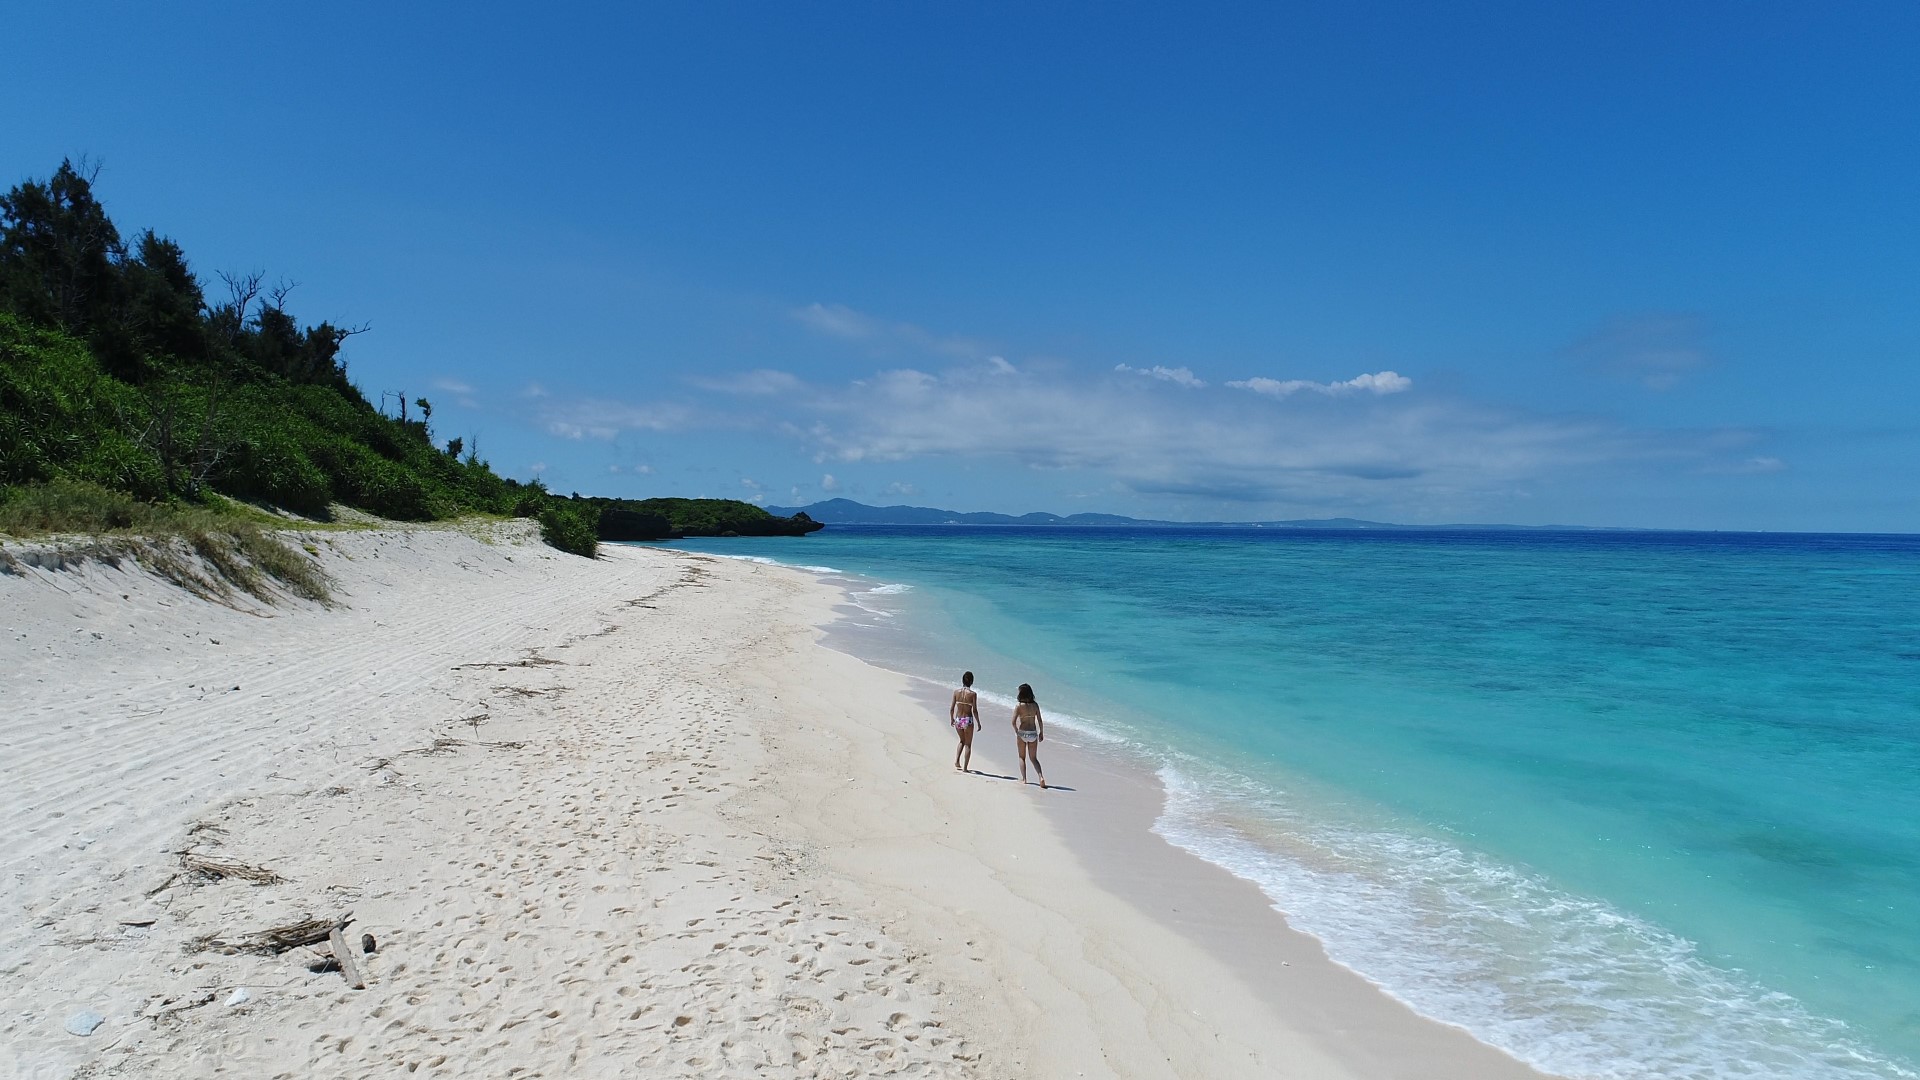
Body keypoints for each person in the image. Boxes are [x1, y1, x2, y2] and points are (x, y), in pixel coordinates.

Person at [1011, 683, 1046, 789]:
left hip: (1022, 732)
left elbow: (1013, 722)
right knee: (1034, 758)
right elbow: (1039, 720)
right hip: (1033, 733)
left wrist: (1017, 731)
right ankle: (1041, 777)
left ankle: (1024, 779)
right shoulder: (1035, 705)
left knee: (1022, 757)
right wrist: (1041, 733)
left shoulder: (1019, 705)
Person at [949, 671, 980, 772]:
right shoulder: (973, 694)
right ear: (971, 682)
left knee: (961, 741)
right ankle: (965, 768)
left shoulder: (956, 692)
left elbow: (952, 708)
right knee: (968, 744)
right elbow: (974, 710)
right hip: (967, 720)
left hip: (958, 719)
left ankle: (957, 761)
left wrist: (952, 718)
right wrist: (979, 723)